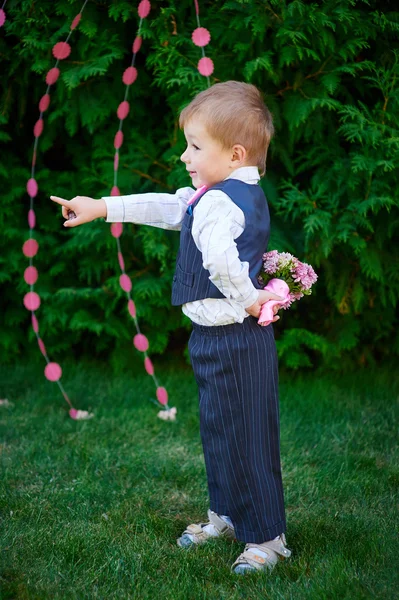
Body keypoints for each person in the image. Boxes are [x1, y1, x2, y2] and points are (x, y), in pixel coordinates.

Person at [50, 80, 292, 575]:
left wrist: (251, 302)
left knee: (247, 435)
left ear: (235, 153)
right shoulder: (215, 192)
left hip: (238, 340)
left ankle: (267, 539)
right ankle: (226, 515)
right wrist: (101, 207)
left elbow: (224, 267)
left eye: (195, 146)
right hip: (212, 339)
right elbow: (169, 207)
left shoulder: (224, 202)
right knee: (219, 432)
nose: (185, 155)